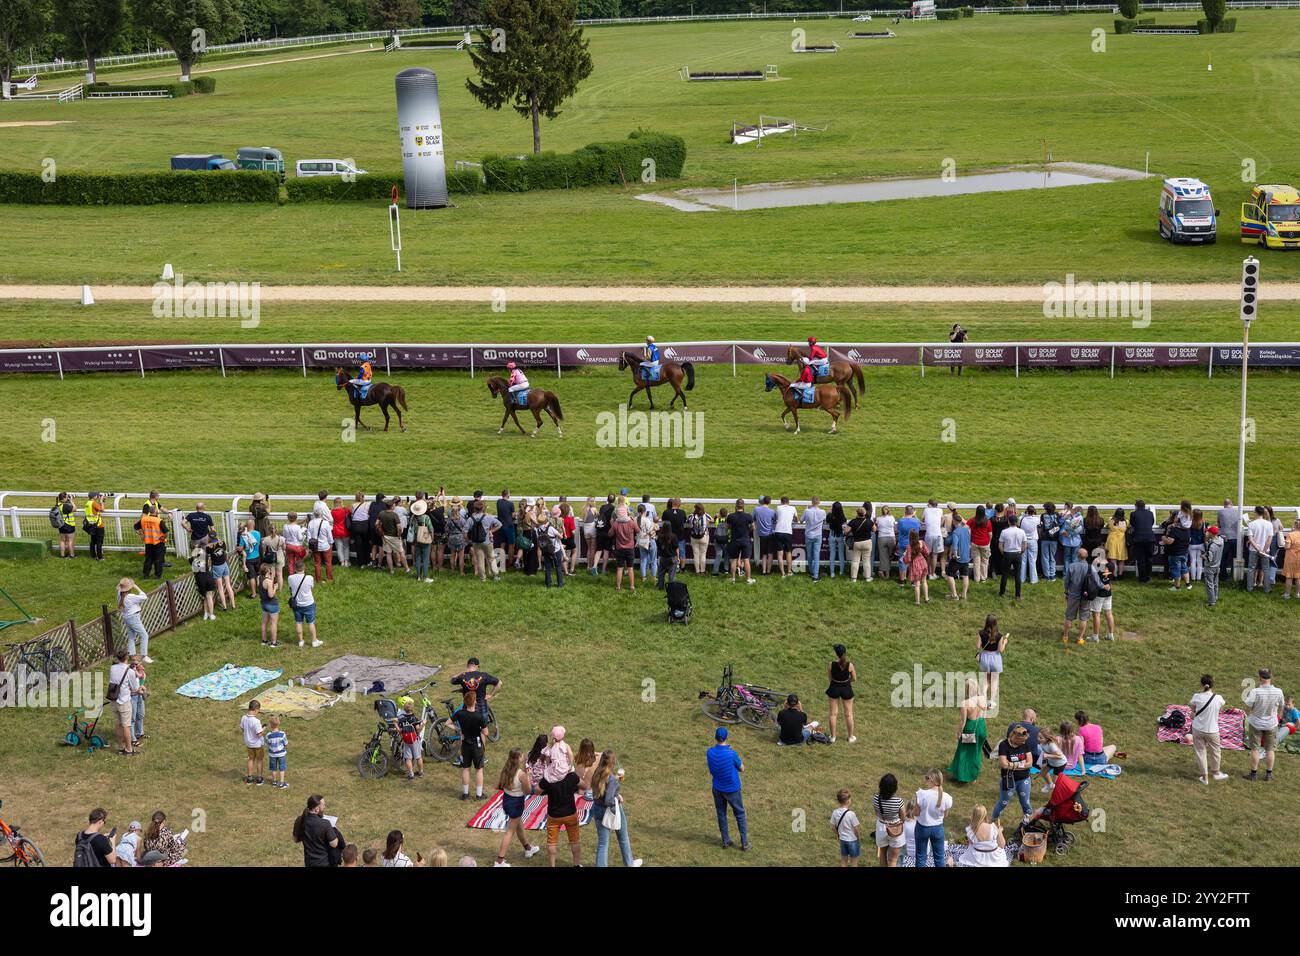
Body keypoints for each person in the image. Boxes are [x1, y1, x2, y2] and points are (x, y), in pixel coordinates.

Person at [591, 750, 643, 867]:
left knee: (603, 843)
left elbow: (602, 792)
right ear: (613, 762)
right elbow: (608, 800)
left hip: (597, 809)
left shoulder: (597, 773)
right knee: (623, 837)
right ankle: (629, 864)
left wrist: (615, 792)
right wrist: (617, 798)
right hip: (611, 810)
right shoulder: (612, 779)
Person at [492, 748, 541, 866]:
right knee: (509, 831)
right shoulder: (521, 774)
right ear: (518, 758)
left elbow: (497, 785)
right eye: (522, 756)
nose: (523, 757)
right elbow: (528, 791)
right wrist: (528, 776)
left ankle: (528, 848)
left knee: (518, 825)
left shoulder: (505, 770)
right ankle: (499, 861)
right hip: (516, 803)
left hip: (507, 800)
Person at [707, 727, 748, 851]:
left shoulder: (710, 752)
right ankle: (744, 843)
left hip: (717, 788)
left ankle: (725, 840)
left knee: (721, 814)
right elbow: (742, 768)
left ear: (715, 737)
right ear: (726, 737)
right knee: (740, 814)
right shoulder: (731, 753)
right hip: (732, 789)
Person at [1242, 668, 1284, 782]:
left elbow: (1247, 708)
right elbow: (1281, 707)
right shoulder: (1278, 691)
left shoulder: (1255, 692)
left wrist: (1249, 715)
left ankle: (1253, 774)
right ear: (1271, 677)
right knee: (1270, 749)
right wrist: (1278, 718)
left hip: (1256, 723)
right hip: (1271, 724)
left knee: (1255, 749)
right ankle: (1269, 774)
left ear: (1260, 678)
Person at [1188, 674, 1228, 785]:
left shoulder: (1196, 696)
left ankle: (1204, 777)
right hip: (1212, 730)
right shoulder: (1219, 698)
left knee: (1200, 752)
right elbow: (1220, 710)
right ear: (1212, 685)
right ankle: (1216, 772)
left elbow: (1192, 709)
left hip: (1198, 729)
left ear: (1201, 684)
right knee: (1216, 751)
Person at [991, 724, 1033, 825]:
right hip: (1009, 779)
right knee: (1003, 802)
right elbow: (1003, 764)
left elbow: (1030, 763)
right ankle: (992, 822)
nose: (1023, 742)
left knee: (1026, 803)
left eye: (1024, 740)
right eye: (1021, 740)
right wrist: (1021, 764)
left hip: (1024, 779)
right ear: (1014, 737)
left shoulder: (1025, 744)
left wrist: (1012, 765)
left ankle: (1029, 823)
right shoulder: (1004, 745)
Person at [946, 678, 987, 783]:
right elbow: (985, 712)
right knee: (976, 752)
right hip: (981, 727)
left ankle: (962, 776)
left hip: (970, 728)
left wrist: (959, 732)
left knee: (964, 751)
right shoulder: (982, 698)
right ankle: (974, 776)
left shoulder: (965, 703)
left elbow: (963, 721)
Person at [453, 689, 489, 800]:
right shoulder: (479, 716)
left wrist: (459, 730)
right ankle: (479, 794)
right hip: (476, 744)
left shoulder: (460, 713)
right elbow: (486, 732)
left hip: (465, 744)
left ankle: (465, 794)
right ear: (474, 702)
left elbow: (447, 723)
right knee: (479, 769)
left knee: (465, 768)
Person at [913, 769, 952, 868]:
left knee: (921, 858)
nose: (926, 781)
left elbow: (916, 813)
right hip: (938, 829)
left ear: (932, 780)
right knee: (939, 858)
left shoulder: (921, 794)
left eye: (927, 778)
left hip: (922, 828)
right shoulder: (947, 798)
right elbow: (945, 815)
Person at [293, 794, 342, 867]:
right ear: (317, 809)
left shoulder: (300, 820)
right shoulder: (325, 823)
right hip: (324, 863)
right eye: (323, 805)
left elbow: (295, 839)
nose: (325, 807)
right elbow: (334, 844)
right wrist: (336, 832)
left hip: (309, 862)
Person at [108, 650, 139, 757]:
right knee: (126, 726)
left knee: (118, 724)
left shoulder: (112, 668)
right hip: (124, 701)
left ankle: (121, 747)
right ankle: (129, 749)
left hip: (113, 700)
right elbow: (135, 688)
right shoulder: (129, 671)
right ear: (126, 658)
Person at [872, 773, 905, 867]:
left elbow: (877, 813)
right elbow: (903, 817)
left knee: (882, 855)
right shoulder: (899, 801)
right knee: (893, 859)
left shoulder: (876, 799)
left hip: (881, 827)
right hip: (896, 829)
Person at [116, 579, 152, 662]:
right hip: (133, 618)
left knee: (131, 637)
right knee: (144, 635)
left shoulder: (119, 595)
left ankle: (132, 655)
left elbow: (119, 590)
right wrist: (136, 587)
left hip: (127, 617)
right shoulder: (130, 597)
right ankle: (144, 656)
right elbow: (144, 597)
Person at [826, 644, 856, 744]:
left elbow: (830, 679)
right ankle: (851, 737)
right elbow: (854, 679)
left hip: (834, 688)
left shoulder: (831, 664)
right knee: (848, 714)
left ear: (836, 653)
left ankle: (833, 737)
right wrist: (846, 682)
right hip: (846, 689)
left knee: (833, 714)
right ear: (845, 653)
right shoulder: (850, 665)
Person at [285, 566, 321, 648]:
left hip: (297, 604)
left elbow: (290, 588)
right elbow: (311, 588)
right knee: (311, 623)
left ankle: (300, 641)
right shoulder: (309, 578)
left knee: (298, 622)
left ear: (295, 569)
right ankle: (314, 641)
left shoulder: (290, 578)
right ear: (304, 568)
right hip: (309, 603)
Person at [465, 501, 502, 582]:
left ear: (475, 508)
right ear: (483, 508)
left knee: (480, 560)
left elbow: (465, 532)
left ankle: (483, 578)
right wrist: (491, 531)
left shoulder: (471, 519)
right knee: (491, 558)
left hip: (476, 542)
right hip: (487, 541)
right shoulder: (488, 517)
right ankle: (495, 576)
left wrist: (468, 541)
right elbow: (499, 524)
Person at [977, 615, 1007, 710]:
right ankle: (992, 702)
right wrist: (1004, 642)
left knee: (985, 681)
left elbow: (978, 646)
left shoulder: (981, 633)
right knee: (994, 681)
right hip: (995, 658)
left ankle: (983, 700)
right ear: (995, 623)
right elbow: (1000, 650)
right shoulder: (999, 635)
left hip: (985, 657)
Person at [1061, 547, 1090, 645]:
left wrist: (1066, 592)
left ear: (1077, 556)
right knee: (1084, 617)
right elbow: (1096, 582)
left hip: (1073, 595)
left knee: (1069, 617)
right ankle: (1080, 638)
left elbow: (1066, 581)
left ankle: (1065, 636)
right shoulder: (1090, 567)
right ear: (1086, 557)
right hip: (1085, 596)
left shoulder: (1071, 566)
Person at [726, 499, 756, 585]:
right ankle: (748, 579)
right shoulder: (748, 516)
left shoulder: (731, 516)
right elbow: (753, 527)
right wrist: (747, 530)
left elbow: (727, 527)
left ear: (736, 505)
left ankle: (733, 578)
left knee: (733, 560)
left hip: (734, 540)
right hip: (745, 540)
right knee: (746, 560)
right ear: (743, 506)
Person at [998, 515, 1026, 599]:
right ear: (1017, 522)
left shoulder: (1004, 531)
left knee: (1005, 574)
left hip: (1007, 553)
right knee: (1017, 575)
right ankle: (1018, 595)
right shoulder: (1021, 531)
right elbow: (1025, 544)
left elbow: (1000, 545)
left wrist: (1004, 553)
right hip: (1017, 553)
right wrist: (1021, 552)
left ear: (1009, 522)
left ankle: (1002, 593)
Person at [831, 789, 862, 867]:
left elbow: (833, 828)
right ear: (848, 801)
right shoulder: (851, 814)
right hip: (852, 840)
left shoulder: (835, 812)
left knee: (843, 861)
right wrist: (858, 838)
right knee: (854, 862)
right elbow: (856, 829)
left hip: (842, 840)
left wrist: (838, 834)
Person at [612, 503, 639, 592]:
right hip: (630, 548)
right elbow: (638, 531)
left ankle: (618, 587)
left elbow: (610, 533)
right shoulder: (631, 522)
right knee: (630, 568)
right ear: (627, 512)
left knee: (620, 568)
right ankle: (632, 587)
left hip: (620, 548)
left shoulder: (616, 523)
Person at [945, 510, 971, 600]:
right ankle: (964, 594)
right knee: (965, 575)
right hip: (966, 556)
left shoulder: (956, 532)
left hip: (958, 557)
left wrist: (955, 554)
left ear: (954, 521)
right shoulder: (967, 530)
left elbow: (955, 545)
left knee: (949, 574)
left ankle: (954, 595)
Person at [242, 698, 266, 785]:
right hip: (257, 744)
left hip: (248, 743)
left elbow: (242, 728)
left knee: (250, 759)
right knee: (259, 760)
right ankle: (259, 778)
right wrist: (263, 728)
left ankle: (249, 778)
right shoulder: (256, 721)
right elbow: (259, 734)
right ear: (256, 709)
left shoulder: (244, 717)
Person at [847, 505, 873, 582]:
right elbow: (874, 529)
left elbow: (846, 531)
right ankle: (867, 577)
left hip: (857, 542)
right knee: (866, 560)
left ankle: (854, 578)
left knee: (855, 561)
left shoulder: (853, 521)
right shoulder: (869, 521)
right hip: (867, 542)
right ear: (864, 513)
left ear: (857, 513)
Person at [802, 496, 826, 581]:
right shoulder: (822, 512)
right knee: (816, 555)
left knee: (809, 554)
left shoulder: (807, 511)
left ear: (811, 502)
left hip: (809, 534)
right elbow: (825, 521)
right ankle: (815, 575)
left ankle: (812, 572)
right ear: (819, 502)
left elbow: (801, 520)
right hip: (817, 535)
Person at [772, 495, 797, 576]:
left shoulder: (778, 508)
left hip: (778, 531)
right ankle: (789, 571)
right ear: (788, 502)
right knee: (788, 552)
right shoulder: (793, 508)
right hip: (787, 532)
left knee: (780, 554)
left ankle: (782, 573)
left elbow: (775, 518)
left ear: (781, 502)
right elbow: (797, 519)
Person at [904, 528, 930, 605]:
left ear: (910, 537)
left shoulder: (909, 546)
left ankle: (917, 601)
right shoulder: (922, 542)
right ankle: (926, 598)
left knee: (917, 584)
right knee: (924, 581)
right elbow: (927, 552)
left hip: (915, 565)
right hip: (923, 563)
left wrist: (904, 559)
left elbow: (908, 559)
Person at [257, 563, 280, 648]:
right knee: (273, 623)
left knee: (264, 623)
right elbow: (271, 595)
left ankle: (264, 641)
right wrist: (275, 588)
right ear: (268, 572)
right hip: (272, 604)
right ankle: (273, 643)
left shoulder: (259, 578)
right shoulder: (269, 582)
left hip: (263, 603)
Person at [967, 506, 992, 582]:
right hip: (985, 543)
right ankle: (983, 578)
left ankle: (977, 578)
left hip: (975, 543)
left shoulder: (972, 520)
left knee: (976, 562)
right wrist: (989, 543)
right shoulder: (987, 521)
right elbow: (990, 534)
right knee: (985, 561)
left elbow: (965, 526)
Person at [921, 499, 944, 578]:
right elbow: (942, 519)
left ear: (930, 504)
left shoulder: (926, 510)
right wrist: (939, 525)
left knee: (928, 554)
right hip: (937, 534)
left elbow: (922, 520)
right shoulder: (940, 510)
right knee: (934, 555)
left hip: (929, 535)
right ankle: (932, 574)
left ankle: (927, 573)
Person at [753, 496, 776, 575]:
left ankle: (763, 571)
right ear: (769, 502)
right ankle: (768, 571)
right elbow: (775, 521)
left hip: (761, 535)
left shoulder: (756, 510)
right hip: (770, 534)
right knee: (770, 553)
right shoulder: (772, 511)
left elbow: (752, 519)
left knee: (764, 554)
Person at [265, 714, 288, 790]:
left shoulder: (268, 735)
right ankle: (281, 782)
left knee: (273, 768)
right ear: (278, 724)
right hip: (281, 754)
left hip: (272, 754)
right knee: (282, 768)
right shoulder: (282, 734)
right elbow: (286, 743)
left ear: (270, 725)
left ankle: (274, 781)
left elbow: (267, 744)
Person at [828, 501, 848, 578]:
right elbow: (844, 525)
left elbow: (827, 520)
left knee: (832, 555)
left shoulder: (830, 515)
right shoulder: (842, 517)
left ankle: (832, 573)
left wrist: (830, 511)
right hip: (840, 536)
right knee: (841, 555)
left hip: (832, 535)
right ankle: (841, 572)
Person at [55, 492, 77, 558]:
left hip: (61, 525)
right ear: (64, 498)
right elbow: (75, 509)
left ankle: (62, 555)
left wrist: (68, 501)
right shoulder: (65, 506)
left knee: (62, 540)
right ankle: (72, 555)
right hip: (69, 525)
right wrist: (71, 501)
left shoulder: (58, 505)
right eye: (67, 497)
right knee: (70, 541)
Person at [1283, 519, 1300, 599]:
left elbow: (1287, 547)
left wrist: (1284, 544)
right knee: (1298, 577)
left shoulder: (1290, 534)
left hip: (1291, 558)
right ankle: (1297, 594)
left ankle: (1287, 594)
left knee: (1289, 577)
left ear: (1295, 526)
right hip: (1299, 558)